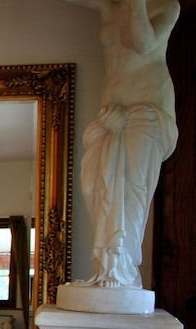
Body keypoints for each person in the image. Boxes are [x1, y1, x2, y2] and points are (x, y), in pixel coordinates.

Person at [66, 0, 181, 288]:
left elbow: (143, 44)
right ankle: (104, 267)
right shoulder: (109, 5)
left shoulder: (167, 6)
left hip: (145, 113)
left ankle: (122, 271)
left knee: (130, 192)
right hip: (109, 117)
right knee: (93, 188)